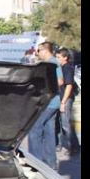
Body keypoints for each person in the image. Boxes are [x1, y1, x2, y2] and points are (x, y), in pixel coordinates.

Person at [26, 41, 63, 170]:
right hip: (53, 102)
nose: (37, 53)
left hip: (48, 102)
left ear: (45, 50)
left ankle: (35, 162)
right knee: (49, 132)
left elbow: (60, 81)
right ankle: (50, 164)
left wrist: (42, 86)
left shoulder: (51, 63)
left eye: (38, 50)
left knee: (34, 130)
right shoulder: (51, 63)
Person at [56, 48, 80, 157]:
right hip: (62, 98)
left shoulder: (67, 68)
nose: (57, 59)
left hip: (66, 99)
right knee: (62, 124)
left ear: (65, 57)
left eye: (59, 57)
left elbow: (69, 86)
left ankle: (74, 147)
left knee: (66, 125)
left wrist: (63, 102)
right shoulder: (62, 67)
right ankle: (62, 145)